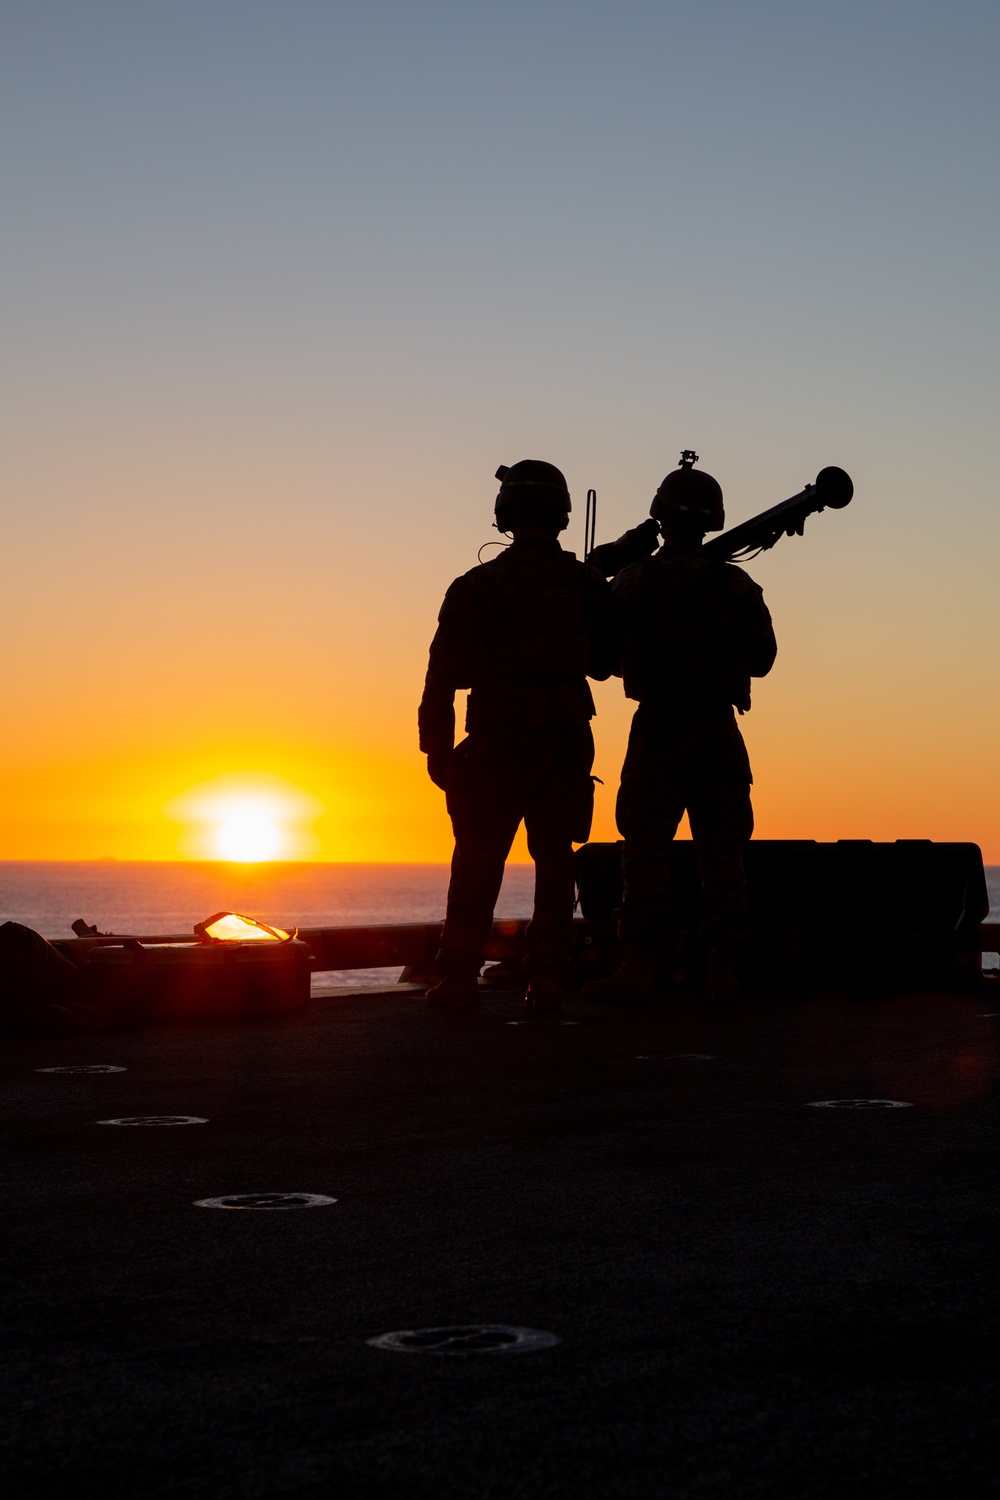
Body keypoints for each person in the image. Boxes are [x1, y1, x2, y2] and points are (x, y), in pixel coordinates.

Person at [419, 460, 617, 1010]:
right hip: (563, 741)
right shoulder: (584, 585)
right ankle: (548, 976)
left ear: (505, 515)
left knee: (478, 859)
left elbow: (440, 677)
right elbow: (607, 662)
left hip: (494, 743)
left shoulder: (475, 586)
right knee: (555, 859)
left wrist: (436, 749)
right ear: (561, 515)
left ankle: (458, 977)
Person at [583, 453, 777, 1004]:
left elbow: (601, 660)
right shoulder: (738, 586)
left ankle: (639, 964)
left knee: (644, 849)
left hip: (659, 729)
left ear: (660, 520)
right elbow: (762, 659)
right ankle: (723, 968)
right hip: (718, 730)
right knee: (723, 852)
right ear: (712, 519)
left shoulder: (634, 582)